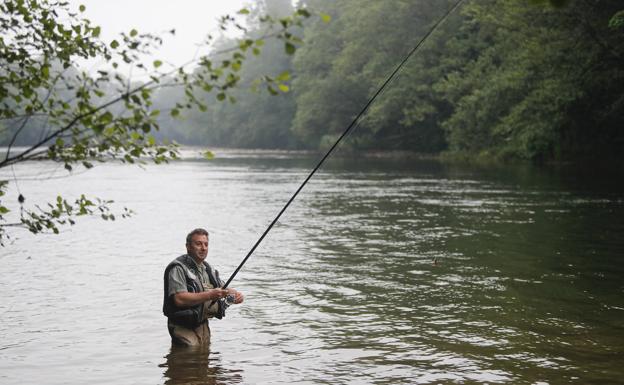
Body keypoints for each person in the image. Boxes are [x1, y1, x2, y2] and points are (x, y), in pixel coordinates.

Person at [163, 228, 244, 346]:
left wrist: (235, 295)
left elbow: (223, 289)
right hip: (182, 327)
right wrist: (210, 295)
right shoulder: (178, 268)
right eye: (198, 244)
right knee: (188, 357)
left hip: (203, 325)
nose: (203, 248)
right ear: (188, 247)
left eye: (206, 244)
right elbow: (179, 299)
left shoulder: (208, 268)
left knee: (204, 359)